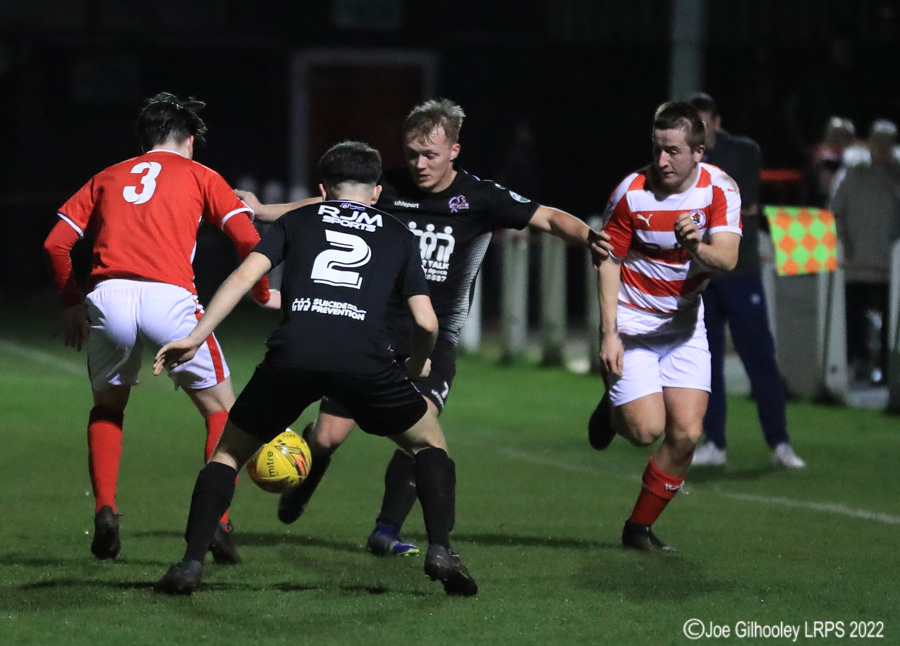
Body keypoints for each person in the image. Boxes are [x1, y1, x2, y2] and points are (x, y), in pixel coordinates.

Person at [241, 98, 611, 557]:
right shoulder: (388, 186)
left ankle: (386, 530)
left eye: (430, 154)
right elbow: (325, 204)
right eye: (412, 153)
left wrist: (589, 237)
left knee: (422, 431)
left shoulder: (479, 198)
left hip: (432, 340)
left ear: (454, 150)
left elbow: (550, 217)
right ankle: (304, 477)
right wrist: (262, 210)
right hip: (366, 330)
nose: (418, 164)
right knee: (330, 435)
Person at [153, 141, 477, 597]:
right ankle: (441, 550)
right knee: (428, 443)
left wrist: (195, 336)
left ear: (323, 189)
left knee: (226, 454)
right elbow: (426, 321)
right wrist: (420, 362)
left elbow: (245, 278)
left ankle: (189, 564)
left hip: (294, 354)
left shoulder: (298, 220)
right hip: (364, 359)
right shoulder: (397, 232)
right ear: (377, 192)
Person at [42, 92, 273, 563]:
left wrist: (72, 304)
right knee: (221, 411)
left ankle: (106, 509)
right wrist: (263, 294)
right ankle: (218, 524)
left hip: (107, 298)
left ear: (144, 139)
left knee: (108, 407)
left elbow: (55, 244)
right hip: (169, 299)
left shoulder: (107, 175)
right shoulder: (201, 174)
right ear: (189, 139)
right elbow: (249, 238)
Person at [587, 101, 742, 552]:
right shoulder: (630, 193)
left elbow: (727, 258)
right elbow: (609, 259)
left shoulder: (719, 190)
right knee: (644, 431)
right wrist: (609, 332)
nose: (662, 161)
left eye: (673, 151)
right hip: (633, 329)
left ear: (699, 152)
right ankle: (612, 408)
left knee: (688, 434)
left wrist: (696, 245)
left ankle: (638, 529)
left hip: (683, 328)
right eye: (656, 149)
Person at [687, 93, 806, 470]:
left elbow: (740, 202)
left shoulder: (744, 151)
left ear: (717, 123)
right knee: (706, 366)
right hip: (703, 278)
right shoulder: (681, 155)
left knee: (760, 358)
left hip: (739, 272)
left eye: (703, 123)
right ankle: (714, 443)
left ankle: (780, 442)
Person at [830, 119, 900, 385]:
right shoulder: (852, 173)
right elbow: (835, 212)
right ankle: (856, 363)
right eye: (878, 144)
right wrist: (843, 240)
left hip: (888, 263)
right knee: (854, 317)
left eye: (887, 145)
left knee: (890, 320)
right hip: (856, 261)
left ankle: (887, 366)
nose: (882, 150)